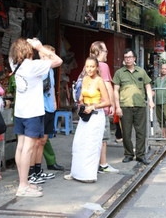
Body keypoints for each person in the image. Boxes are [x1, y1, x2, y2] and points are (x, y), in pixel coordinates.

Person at [10, 38, 63, 197]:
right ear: (29, 50)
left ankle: (24, 182)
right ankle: (23, 186)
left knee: (21, 147)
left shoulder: (15, 64)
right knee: (28, 148)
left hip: (20, 112)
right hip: (32, 113)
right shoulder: (33, 66)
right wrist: (40, 46)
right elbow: (58, 60)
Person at [64, 55, 110, 182]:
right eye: (87, 66)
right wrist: (81, 101)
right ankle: (76, 172)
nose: (89, 69)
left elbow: (107, 102)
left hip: (96, 115)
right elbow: (82, 96)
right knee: (78, 144)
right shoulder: (84, 79)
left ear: (96, 68)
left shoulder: (99, 80)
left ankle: (88, 175)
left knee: (91, 145)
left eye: (92, 67)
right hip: (85, 115)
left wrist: (94, 106)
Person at [28, 45, 63, 185]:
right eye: (49, 55)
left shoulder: (51, 71)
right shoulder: (37, 68)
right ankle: (32, 172)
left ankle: (38, 169)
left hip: (49, 108)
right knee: (36, 142)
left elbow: (52, 87)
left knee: (43, 141)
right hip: (39, 108)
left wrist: (54, 102)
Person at [113, 49, 155, 165]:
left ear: (134, 58)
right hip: (125, 106)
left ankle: (140, 155)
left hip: (140, 106)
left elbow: (148, 86)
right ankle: (128, 154)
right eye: (126, 57)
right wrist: (117, 107)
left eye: (130, 57)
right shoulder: (119, 73)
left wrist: (150, 101)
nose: (128, 59)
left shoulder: (141, 72)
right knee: (126, 132)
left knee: (141, 132)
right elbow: (115, 90)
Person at [89, 41, 119, 174]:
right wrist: (112, 104)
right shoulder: (103, 66)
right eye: (105, 51)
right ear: (99, 52)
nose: (107, 53)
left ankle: (92, 164)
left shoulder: (89, 65)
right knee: (103, 138)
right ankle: (103, 164)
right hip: (101, 107)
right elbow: (108, 87)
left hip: (90, 107)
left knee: (92, 137)